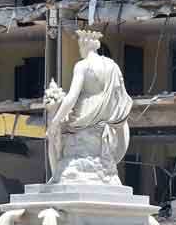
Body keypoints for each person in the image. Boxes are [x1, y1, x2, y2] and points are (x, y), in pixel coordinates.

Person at [45, 29, 132, 185]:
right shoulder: (112, 66)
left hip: (86, 112)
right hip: (106, 115)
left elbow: (72, 97)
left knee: (60, 133)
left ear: (84, 45)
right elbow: (120, 96)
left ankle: (62, 171)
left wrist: (55, 121)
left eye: (79, 46)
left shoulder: (82, 65)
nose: (79, 50)